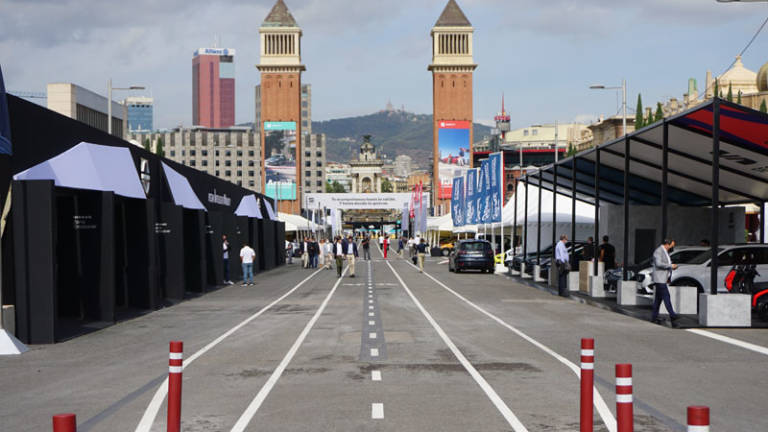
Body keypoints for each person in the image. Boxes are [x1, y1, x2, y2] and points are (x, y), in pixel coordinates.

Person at [651, 239, 680, 326]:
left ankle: (654, 316)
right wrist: (670, 266)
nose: (672, 247)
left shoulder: (664, 251)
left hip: (662, 278)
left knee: (658, 299)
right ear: (667, 244)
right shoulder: (658, 251)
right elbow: (659, 264)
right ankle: (672, 314)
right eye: (672, 245)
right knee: (666, 296)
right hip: (659, 279)